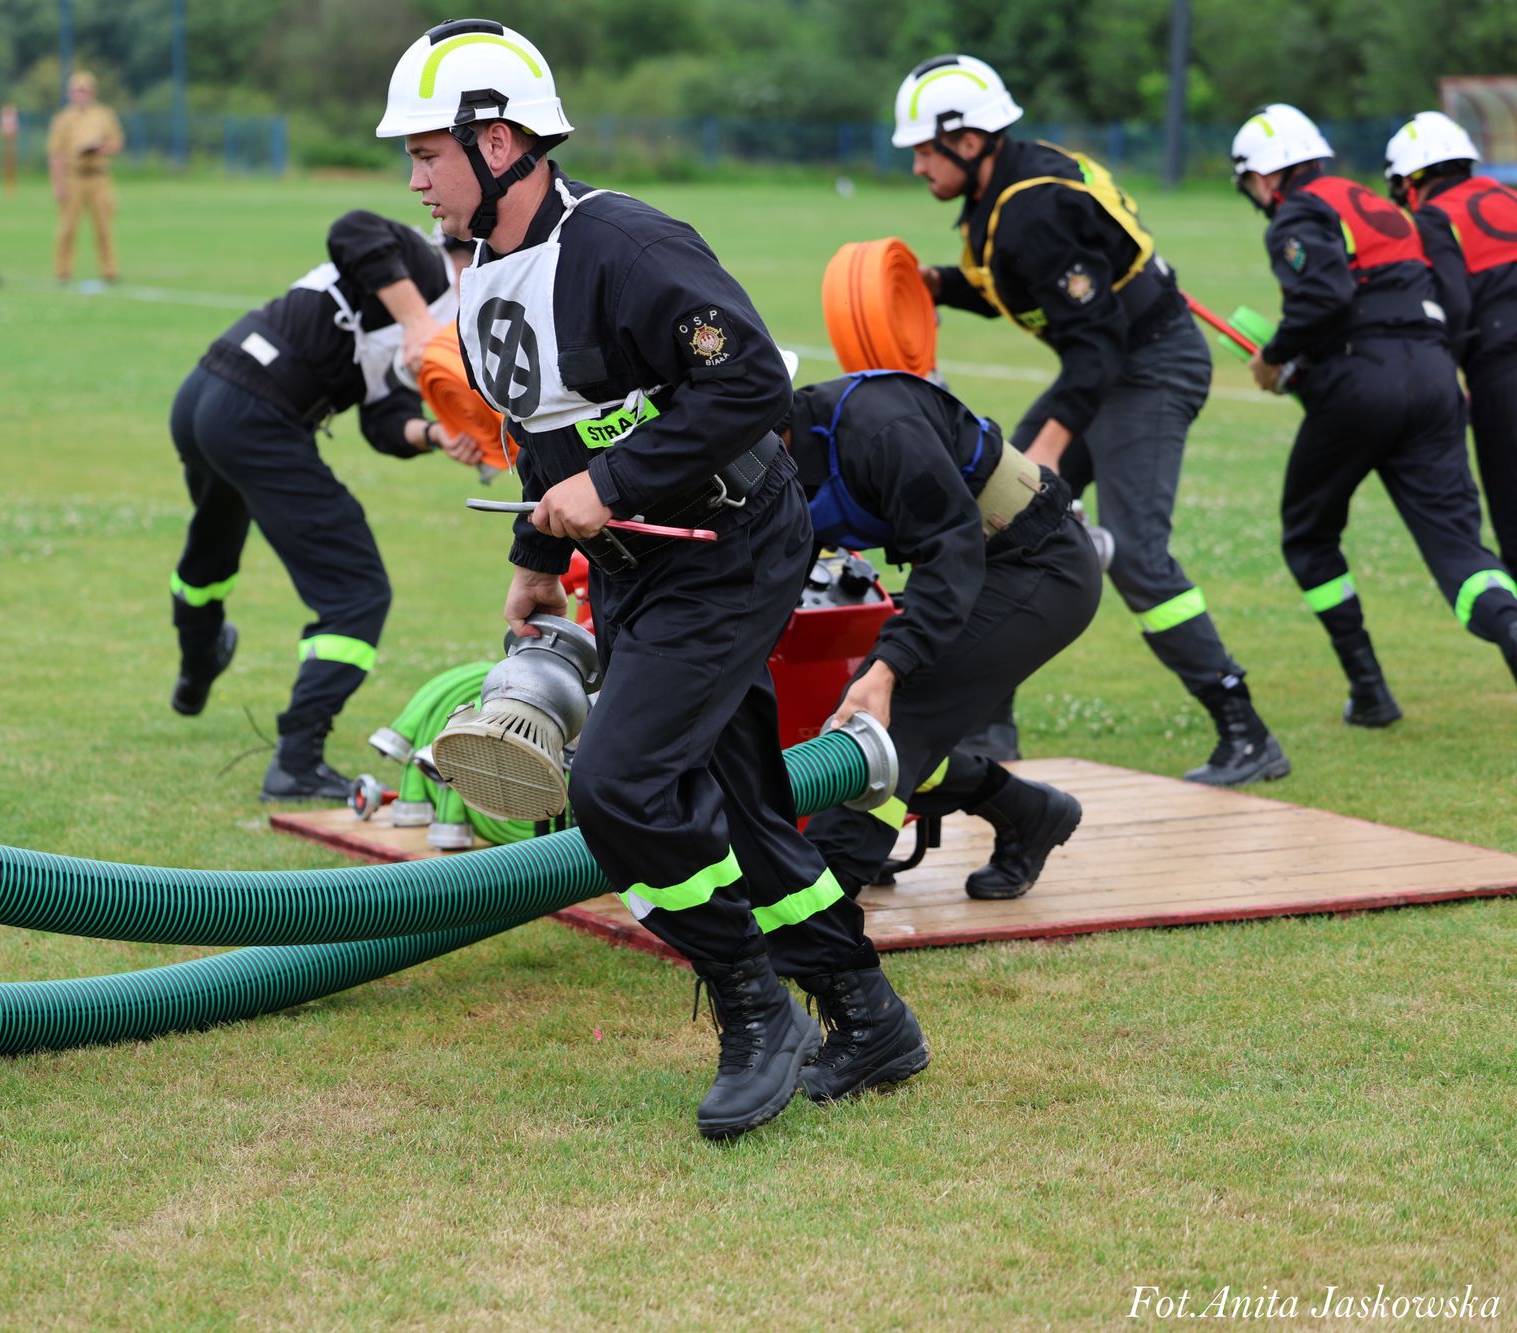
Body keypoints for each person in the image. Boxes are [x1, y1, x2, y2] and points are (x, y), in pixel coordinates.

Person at [378, 19, 928, 1140]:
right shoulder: (484, 279)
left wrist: (613, 478)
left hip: (730, 546)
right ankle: (868, 1018)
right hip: (638, 562)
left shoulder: (622, 245)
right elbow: (542, 433)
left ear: (498, 145)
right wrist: (538, 560)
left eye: (427, 151)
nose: (414, 177)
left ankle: (751, 1007)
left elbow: (748, 391)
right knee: (743, 809)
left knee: (617, 789)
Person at [895, 54, 1288, 787]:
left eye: (923, 148)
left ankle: (1246, 731)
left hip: (1148, 365)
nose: (918, 165)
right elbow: (1026, 286)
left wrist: (1045, 448)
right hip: (1110, 362)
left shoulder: (1032, 204)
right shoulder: (1008, 189)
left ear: (970, 140)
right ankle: (988, 725)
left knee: (1136, 553)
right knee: (995, 523)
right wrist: (940, 285)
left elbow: (1098, 339)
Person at [168, 213, 479, 800]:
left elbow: (384, 419)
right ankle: (297, 762)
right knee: (357, 593)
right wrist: (416, 321)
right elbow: (354, 230)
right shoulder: (421, 265)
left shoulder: (433, 315)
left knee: (211, 547)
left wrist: (435, 435)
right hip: (256, 411)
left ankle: (198, 659)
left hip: (207, 395)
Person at [1232, 105, 1517, 710]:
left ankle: (1369, 691)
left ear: (1264, 175)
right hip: (1437, 380)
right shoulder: (1383, 207)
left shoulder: (1300, 210)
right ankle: (1511, 624)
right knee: (1462, 549)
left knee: (1308, 535)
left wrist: (1276, 358)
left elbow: (1325, 298)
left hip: (1365, 383)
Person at [789, 369, 1103, 906]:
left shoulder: (881, 427)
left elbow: (950, 556)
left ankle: (813, 908)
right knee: (878, 714)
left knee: (886, 725)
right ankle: (1028, 812)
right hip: (977, 569)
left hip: (1038, 567)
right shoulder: (765, 454)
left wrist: (889, 666)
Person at [1387, 111, 1517, 569]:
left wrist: (1447, 371)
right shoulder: (1508, 197)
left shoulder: (1434, 219)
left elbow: (1456, 307)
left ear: (1409, 181)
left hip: (1503, 373)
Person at [47, 72, 124, 284]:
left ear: (93, 92)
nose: (81, 95)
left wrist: (100, 148)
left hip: (99, 177)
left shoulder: (104, 115)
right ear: (70, 93)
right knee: (68, 228)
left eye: (85, 90)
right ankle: (63, 270)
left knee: (104, 228)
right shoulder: (63, 119)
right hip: (74, 177)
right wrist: (58, 183)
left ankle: (110, 271)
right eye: (77, 91)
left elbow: (117, 143)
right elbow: (56, 155)